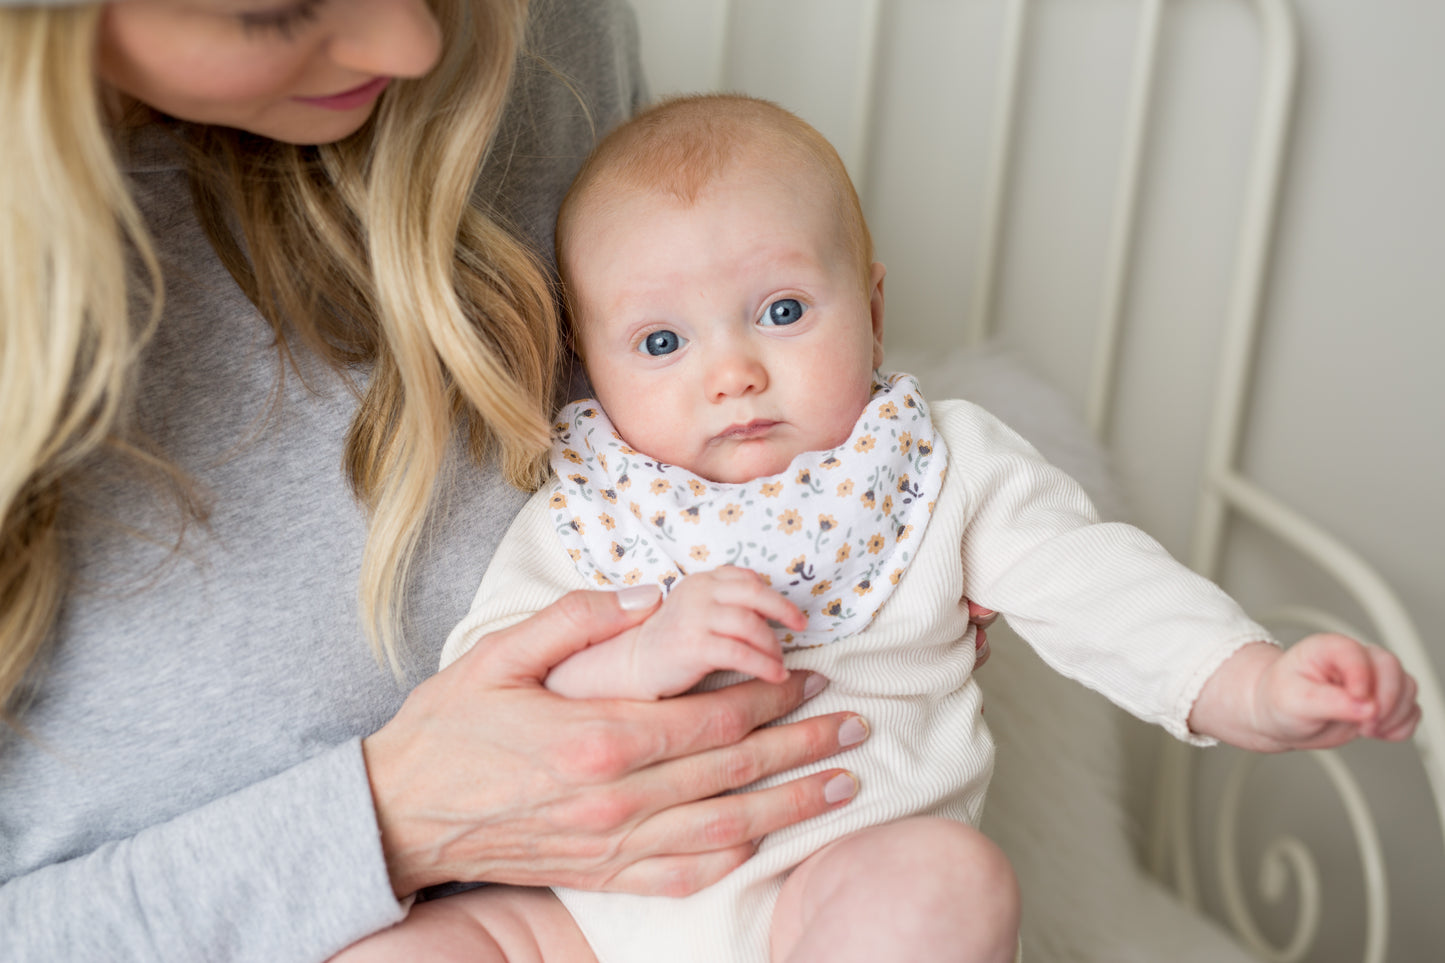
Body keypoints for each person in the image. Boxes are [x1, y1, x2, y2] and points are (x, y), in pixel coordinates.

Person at [0, 7, 980, 962]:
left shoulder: (539, 36)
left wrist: (905, 567)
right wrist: (391, 821)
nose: (413, 41)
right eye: (277, 11)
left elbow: (719, 446)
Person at [349, 94, 1421, 963]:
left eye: (779, 311)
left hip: (826, 896)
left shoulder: (932, 469)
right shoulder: (590, 507)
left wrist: (1248, 682)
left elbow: (1097, 584)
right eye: (662, 340)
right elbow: (491, 692)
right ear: (592, 363)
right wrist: (644, 652)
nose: (732, 373)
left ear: (869, 305)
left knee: (949, 885)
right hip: (589, 919)